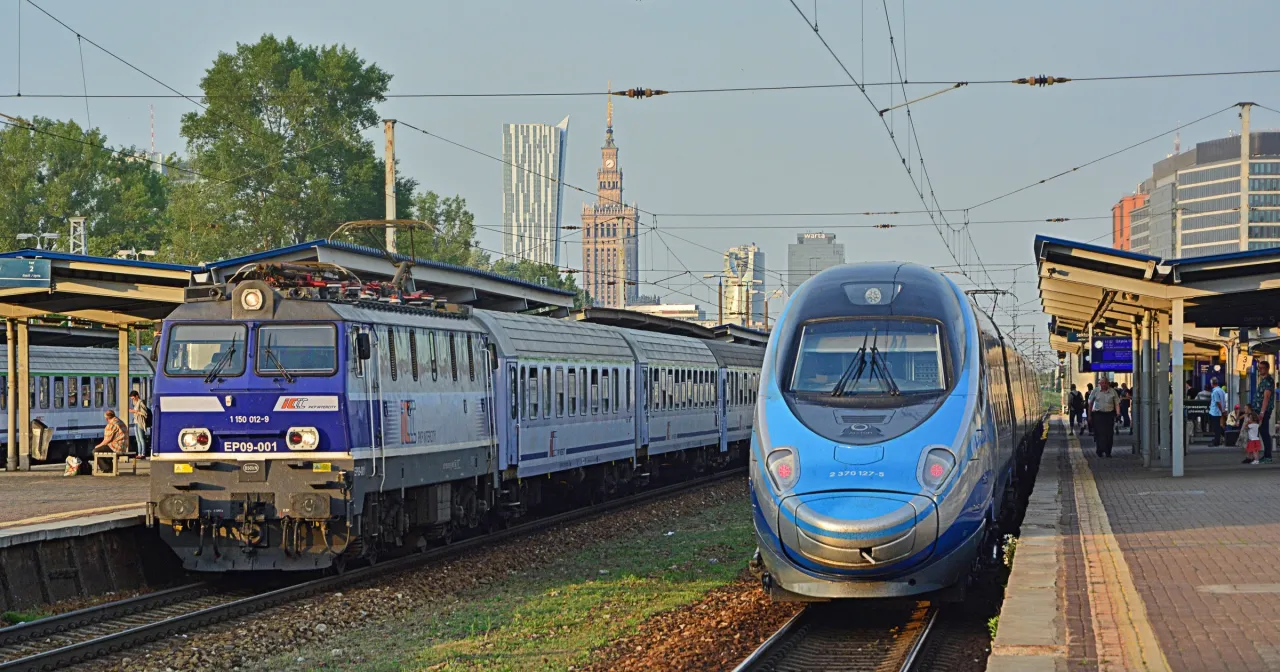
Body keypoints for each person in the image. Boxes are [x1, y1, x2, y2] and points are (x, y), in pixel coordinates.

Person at [1090, 378, 1120, 457]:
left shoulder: (1113, 392)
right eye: (1102, 383)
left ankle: (1108, 451)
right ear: (1100, 384)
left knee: (1109, 434)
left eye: (1105, 383)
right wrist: (1089, 415)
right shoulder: (1095, 391)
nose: (1104, 385)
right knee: (1099, 433)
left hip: (1109, 415)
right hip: (1098, 415)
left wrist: (1118, 413)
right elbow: (1090, 403)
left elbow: (1117, 403)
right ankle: (1099, 450)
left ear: (1108, 384)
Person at [1254, 360, 1274, 463]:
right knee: (1262, 432)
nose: (1260, 370)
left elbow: (1266, 397)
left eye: (1262, 368)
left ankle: (1268, 456)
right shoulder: (1263, 380)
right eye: (1259, 368)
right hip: (1259, 410)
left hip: (1264, 411)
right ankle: (1266, 455)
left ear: (1267, 369)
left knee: (1264, 432)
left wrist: (1262, 412)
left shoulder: (1268, 381)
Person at [128, 390, 150, 458]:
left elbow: (145, 413)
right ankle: (139, 453)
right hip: (136, 422)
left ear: (137, 396)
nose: (133, 399)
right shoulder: (136, 403)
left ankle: (143, 453)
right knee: (137, 439)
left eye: (133, 398)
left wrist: (135, 411)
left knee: (141, 438)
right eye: (132, 399)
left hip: (140, 422)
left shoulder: (141, 402)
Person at [1208, 378, 1228, 447]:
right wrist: (1223, 409)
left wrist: (1222, 410)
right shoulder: (1221, 390)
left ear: (1212, 383)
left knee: (1216, 427)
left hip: (1215, 412)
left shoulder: (1215, 391)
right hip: (1219, 411)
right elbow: (1223, 401)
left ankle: (1216, 442)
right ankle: (1225, 436)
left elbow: (1217, 402)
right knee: (1219, 426)